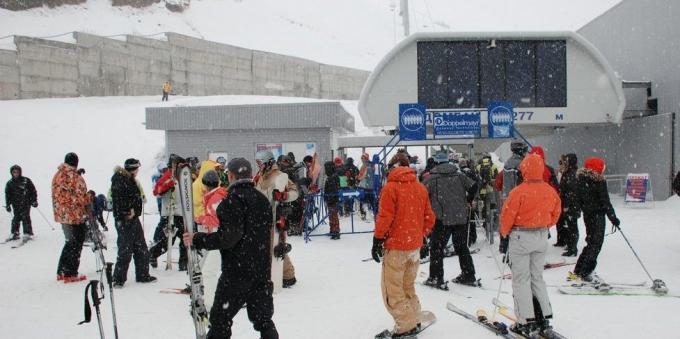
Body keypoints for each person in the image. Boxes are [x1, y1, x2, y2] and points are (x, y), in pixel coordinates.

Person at [184, 158, 278, 339]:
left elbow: (228, 238)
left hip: (237, 273)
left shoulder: (232, 201)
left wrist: (199, 239)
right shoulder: (262, 200)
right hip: (261, 271)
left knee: (220, 320)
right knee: (264, 320)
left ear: (232, 175)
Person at [372, 151, 436, 338]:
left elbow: (385, 217)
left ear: (392, 168)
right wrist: (421, 236)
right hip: (414, 246)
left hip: (396, 246)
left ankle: (405, 325)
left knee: (392, 289)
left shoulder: (390, 188)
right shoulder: (420, 188)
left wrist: (377, 239)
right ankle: (414, 317)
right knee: (408, 285)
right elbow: (429, 218)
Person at [499, 153, 561, 336]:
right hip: (541, 236)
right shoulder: (550, 191)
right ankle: (544, 317)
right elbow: (556, 214)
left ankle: (525, 320)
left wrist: (505, 233)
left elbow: (507, 217)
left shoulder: (518, 192)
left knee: (521, 280)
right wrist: (544, 225)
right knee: (537, 277)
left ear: (524, 170)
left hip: (520, 236)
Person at [423, 152, 477, 289]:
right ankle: (468, 274)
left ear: (435, 163)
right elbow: (474, 186)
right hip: (460, 216)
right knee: (461, 246)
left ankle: (436, 277)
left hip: (441, 218)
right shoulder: (459, 175)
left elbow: (421, 194)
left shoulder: (431, 179)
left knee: (436, 248)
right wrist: (468, 200)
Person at [570, 157, 620, 282]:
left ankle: (578, 272)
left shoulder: (580, 180)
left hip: (588, 216)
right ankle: (586, 273)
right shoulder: (599, 181)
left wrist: (578, 210)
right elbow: (605, 202)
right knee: (596, 245)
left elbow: (576, 199)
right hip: (598, 217)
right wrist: (613, 218)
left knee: (591, 243)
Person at [254, 150, 299, 288]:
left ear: (268, 162)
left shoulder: (280, 176)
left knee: (276, 247)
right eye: (258, 163)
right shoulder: (259, 177)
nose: (259, 166)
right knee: (264, 246)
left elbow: (295, 192)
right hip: (261, 217)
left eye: (260, 163)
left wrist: (284, 196)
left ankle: (288, 276)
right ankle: (269, 273)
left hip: (276, 217)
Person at [111, 159, 156, 287]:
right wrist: (126, 212)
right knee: (125, 249)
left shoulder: (129, 179)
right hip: (126, 220)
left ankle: (142, 275)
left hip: (133, 219)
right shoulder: (120, 180)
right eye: (137, 168)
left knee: (141, 247)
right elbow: (119, 199)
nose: (138, 171)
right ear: (133, 168)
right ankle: (118, 279)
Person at [52, 152, 90, 283]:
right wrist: (90, 195)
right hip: (74, 215)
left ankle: (61, 271)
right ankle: (71, 272)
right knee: (76, 243)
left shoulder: (58, 174)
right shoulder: (75, 177)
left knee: (69, 242)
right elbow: (81, 198)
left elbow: (65, 189)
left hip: (62, 214)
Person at [149, 155, 188, 270]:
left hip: (182, 213)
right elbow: (157, 191)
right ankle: (153, 254)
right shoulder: (168, 176)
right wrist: (167, 185)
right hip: (170, 213)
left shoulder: (183, 177)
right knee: (168, 241)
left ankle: (183, 263)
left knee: (185, 239)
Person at [495, 141, 528, 253]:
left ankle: (504, 246)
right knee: (518, 225)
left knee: (507, 222)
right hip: (518, 199)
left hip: (507, 198)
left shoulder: (508, 163)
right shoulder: (522, 164)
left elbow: (499, 182)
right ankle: (516, 251)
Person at [5, 165, 37, 241]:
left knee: (25, 217)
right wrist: (8, 205)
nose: (15, 174)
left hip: (26, 202)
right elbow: (7, 194)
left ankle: (28, 233)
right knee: (16, 218)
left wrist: (34, 200)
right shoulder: (9, 183)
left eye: (17, 172)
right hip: (15, 204)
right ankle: (14, 233)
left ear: (20, 172)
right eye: (14, 172)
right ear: (11, 173)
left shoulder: (26, 180)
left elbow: (33, 191)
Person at [557, 154, 580, 256]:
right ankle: (571, 246)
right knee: (570, 226)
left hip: (571, 206)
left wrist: (566, 205)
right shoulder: (569, 173)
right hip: (571, 205)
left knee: (572, 227)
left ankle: (572, 249)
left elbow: (571, 192)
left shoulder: (571, 174)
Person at [323, 161, 341, 239]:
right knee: (332, 215)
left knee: (333, 216)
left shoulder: (332, 177)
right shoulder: (333, 176)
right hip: (332, 199)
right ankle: (333, 230)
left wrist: (329, 198)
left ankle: (335, 232)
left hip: (333, 199)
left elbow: (333, 189)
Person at [357, 153, 375, 221]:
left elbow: (361, 177)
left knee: (362, 202)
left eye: (362, 158)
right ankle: (376, 214)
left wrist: (358, 177)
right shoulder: (372, 165)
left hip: (364, 187)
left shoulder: (364, 166)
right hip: (371, 187)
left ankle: (363, 215)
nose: (361, 160)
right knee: (372, 202)